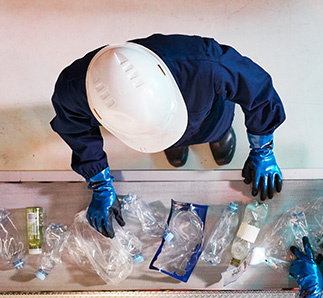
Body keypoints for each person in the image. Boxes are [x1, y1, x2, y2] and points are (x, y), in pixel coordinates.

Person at [50, 33, 285, 238]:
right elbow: (75, 128)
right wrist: (99, 181)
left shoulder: (204, 64)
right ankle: (174, 142)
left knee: (217, 130)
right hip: (160, 127)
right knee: (175, 146)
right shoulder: (76, 88)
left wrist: (262, 148)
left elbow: (258, 90)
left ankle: (218, 134)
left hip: (208, 114)